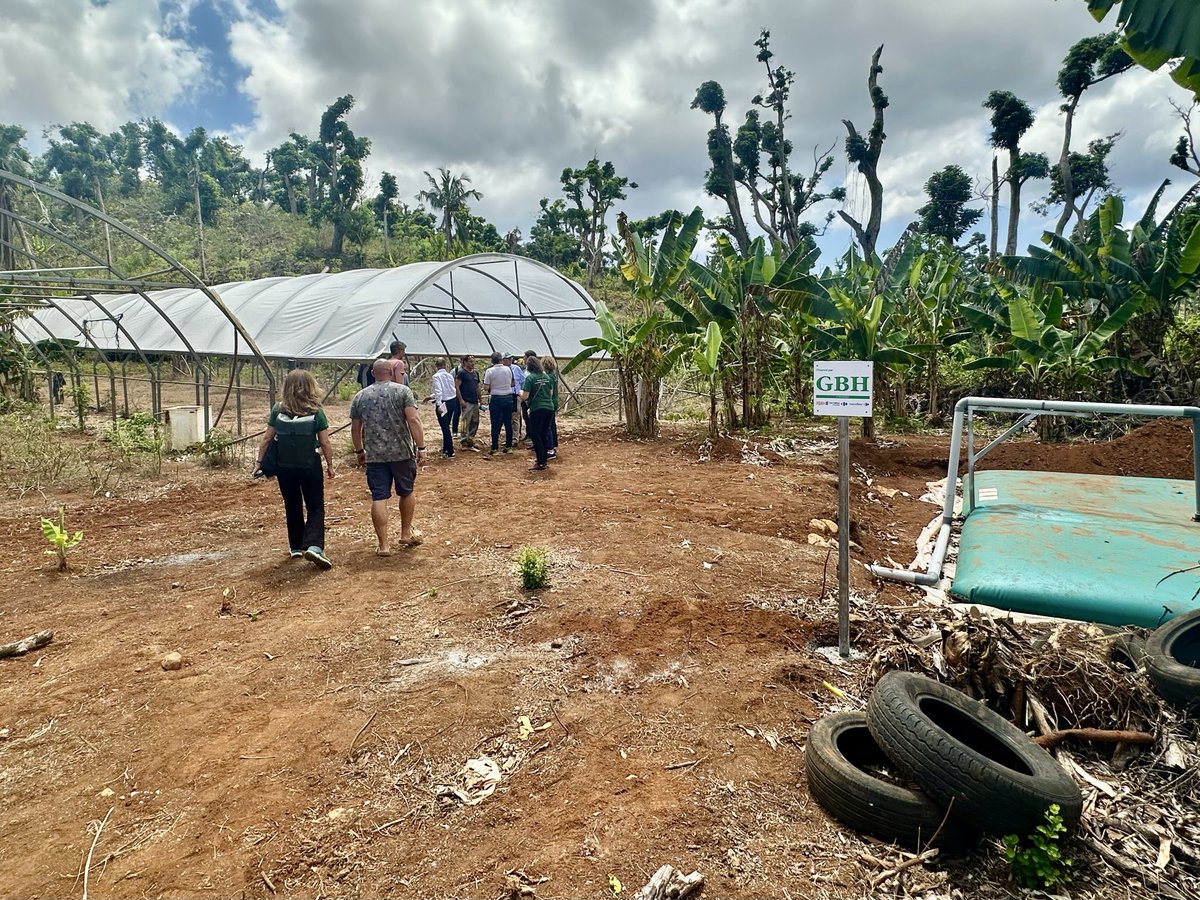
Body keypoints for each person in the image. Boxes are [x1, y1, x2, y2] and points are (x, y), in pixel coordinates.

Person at [257, 369, 336, 569]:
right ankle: (314, 545)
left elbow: (267, 438)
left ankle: (295, 546)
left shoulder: (278, 409)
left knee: (291, 504)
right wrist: (330, 464)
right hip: (309, 465)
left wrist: (259, 463)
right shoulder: (316, 411)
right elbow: (325, 442)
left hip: (285, 467)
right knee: (315, 506)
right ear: (311, 386)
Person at [350, 358, 427, 556]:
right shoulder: (402, 392)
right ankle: (405, 533)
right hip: (402, 453)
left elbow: (356, 428)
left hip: (375, 455)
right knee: (407, 491)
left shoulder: (360, 396)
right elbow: (413, 419)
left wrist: (359, 451)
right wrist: (421, 447)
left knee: (379, 497)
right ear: (391, 373)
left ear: (373, 374)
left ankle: (383, 545)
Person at [521, 355, 555, 471]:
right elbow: (550, 393)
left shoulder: (530, 378)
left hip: (537, 409)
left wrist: (520, 393)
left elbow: (525, 396)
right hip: (549, 408)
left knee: (536, 435)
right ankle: (544, 460)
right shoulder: (547, 377)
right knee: (545, 433)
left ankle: (540, 462)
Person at [482, 351, 515, 454]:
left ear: (492, 361)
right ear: (501, 359)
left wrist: (493, 387)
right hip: (508, 398)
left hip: (496, 398)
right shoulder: (508, 369)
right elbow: (512, 383)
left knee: (495, 423)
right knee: (508, 422)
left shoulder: (490, 371)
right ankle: (508, 447)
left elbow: (486, 386)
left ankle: (494, 448)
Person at [427, 357, 457, 458]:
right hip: (452, 401)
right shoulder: (449, 375)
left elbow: (439, 391)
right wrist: (431, 396)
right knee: (446, 425)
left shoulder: (436, 377)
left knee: (445, 427)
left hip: (443, 403)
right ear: (445, 365)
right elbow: (450, 389)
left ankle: (450, 450)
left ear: (436, 366)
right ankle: (445, 448)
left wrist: (439, 405)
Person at [455, 355, 480, 449]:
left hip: (475, 401)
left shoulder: (475, 373)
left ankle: (471, 438)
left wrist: (480, 399)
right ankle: (464, 440)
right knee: (465, 421)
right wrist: (461, 400)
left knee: (475, 420)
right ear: (465, 362)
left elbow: (477, 386)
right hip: (466, 401)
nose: (472, 363)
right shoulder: (462, 373)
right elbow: (456, 386)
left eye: (473, 361)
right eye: (470, 361)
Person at [542, 355, 560, 459]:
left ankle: (550, 449)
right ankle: (553, 444)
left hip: (550, 402)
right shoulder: (553, 375)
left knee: (548, 426)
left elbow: (550, 392)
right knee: (552, 424)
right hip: (555, 401)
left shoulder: (548, 377)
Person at [509, 353, 526, 443]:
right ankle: (509, 437)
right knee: (507, 417)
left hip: (515, 395)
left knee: (515, 417)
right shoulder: (502, 369)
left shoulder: (516, 369)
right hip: (505, 396)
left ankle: (515, 438)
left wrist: (521, 393)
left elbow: (523, 381)